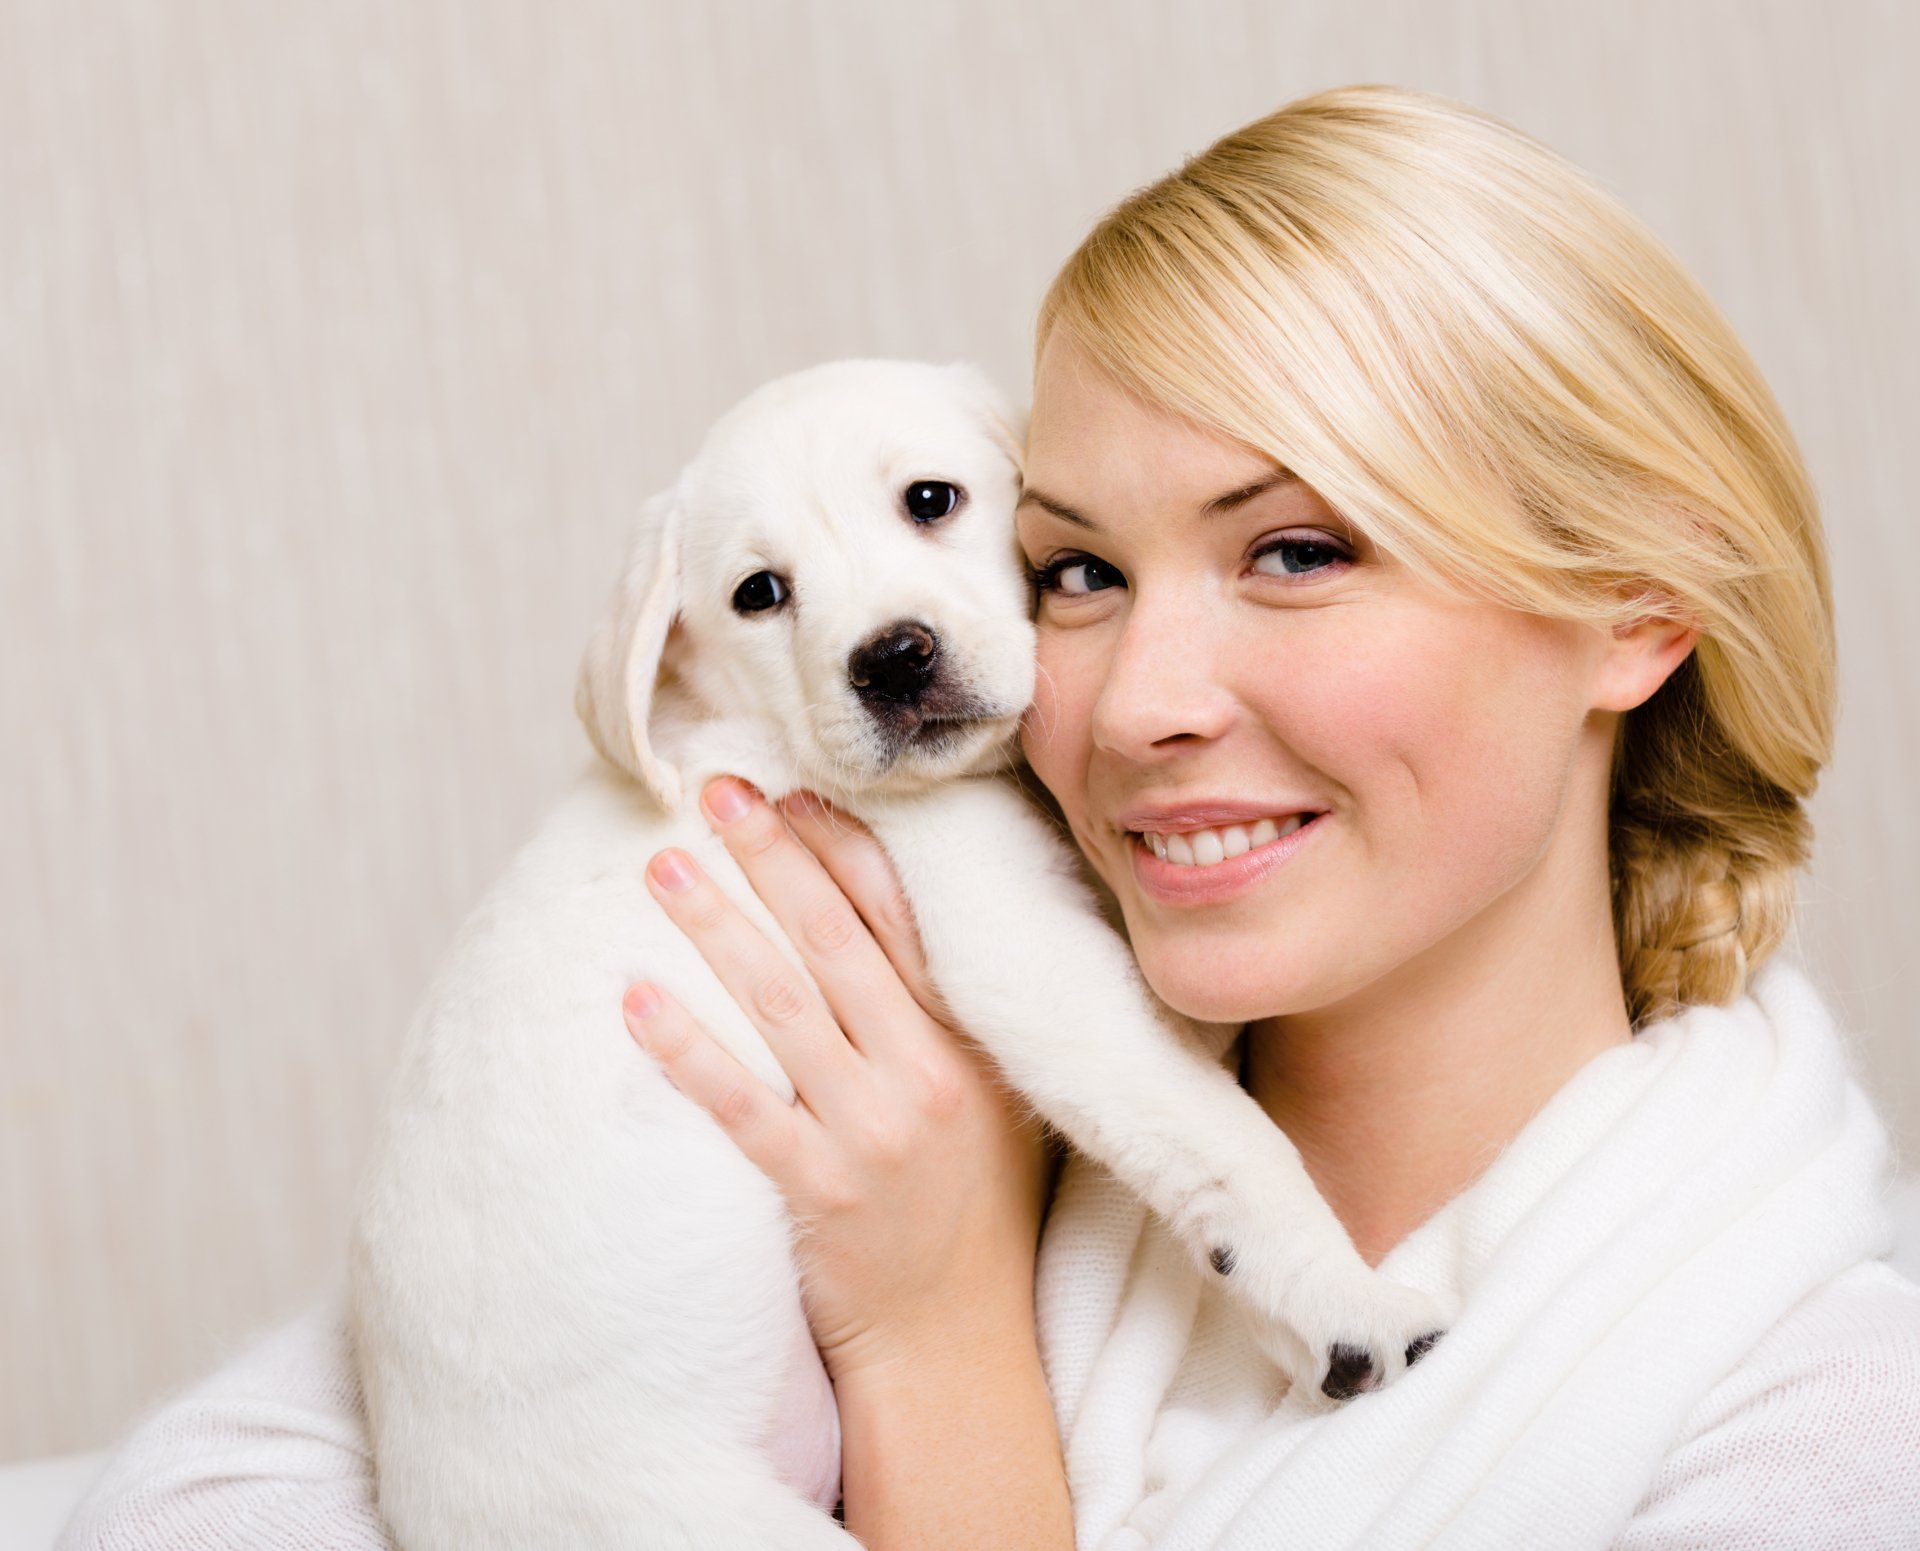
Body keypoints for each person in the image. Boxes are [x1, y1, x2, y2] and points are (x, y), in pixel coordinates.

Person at [60, 85, 1920, 1550]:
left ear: (1635, 610)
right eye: (1080, 569)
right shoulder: (873, 1069)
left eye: (1296, 550)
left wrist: (937, 1342)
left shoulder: (1823, 1427)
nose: (1141, 698)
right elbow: (197, 1501)